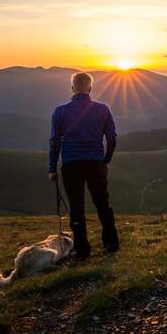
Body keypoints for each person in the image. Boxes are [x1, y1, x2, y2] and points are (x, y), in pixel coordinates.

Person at [48, 72, 119, 258]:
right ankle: (111, 244)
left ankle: (82, 250)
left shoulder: (59, 111)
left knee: (76, 207)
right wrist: (106, 160)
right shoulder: (103, 109)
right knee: (102, 203)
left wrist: (52, 168)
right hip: (96, 162)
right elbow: (111, 138)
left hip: (71, 164)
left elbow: (54, 142)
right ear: (90, 88)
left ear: (72, 88)